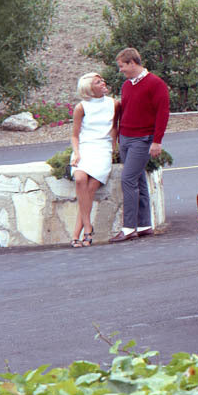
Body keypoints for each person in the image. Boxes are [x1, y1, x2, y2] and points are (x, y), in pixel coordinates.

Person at [109, 47, 169, 243]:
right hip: (126, 138)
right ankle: (144, 225)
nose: (121, 70)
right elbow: (124, 112)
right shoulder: (126, 85)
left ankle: (128, 228)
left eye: (122, 66)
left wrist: (157, 141)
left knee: (127, 179)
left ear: (132, 63)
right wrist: (118, 139)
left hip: (142, 140)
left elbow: (163, 113)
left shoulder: (155, 84)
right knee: (139, 180)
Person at [69, 72, 118, 247]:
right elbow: (75, 135)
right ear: (90, 89)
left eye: (102, 80)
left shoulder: (114, 104)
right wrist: (76, 153)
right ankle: (88, 226)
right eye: (98, 82)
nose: (103, 83)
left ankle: (77, 233)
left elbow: (114, 128)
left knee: (89, 190)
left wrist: (112, 149)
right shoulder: (81, 107)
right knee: (80, 178)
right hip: (85, 148)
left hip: (103, 149)